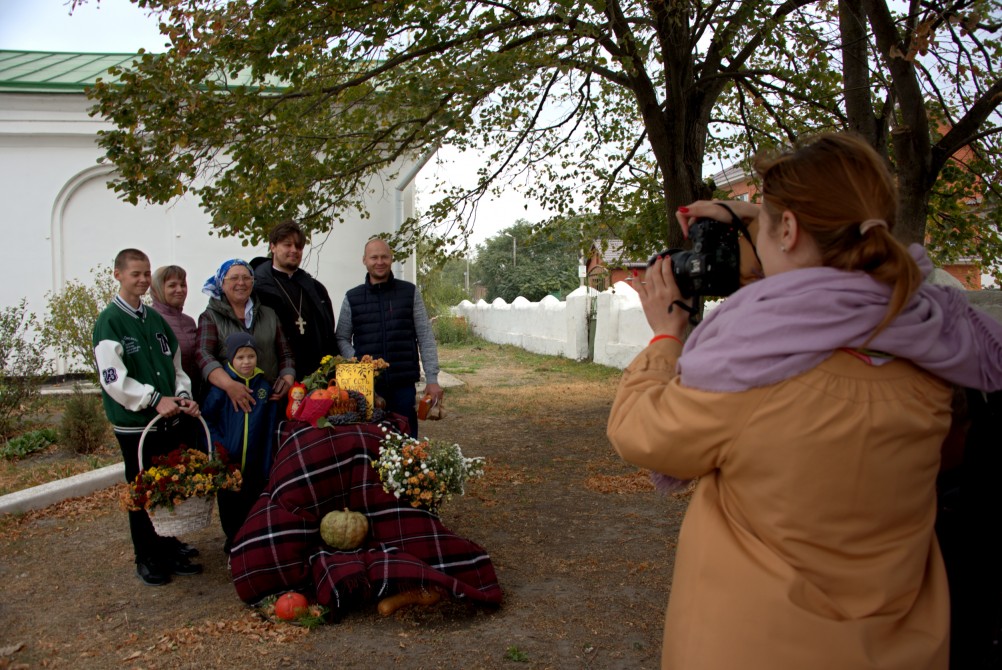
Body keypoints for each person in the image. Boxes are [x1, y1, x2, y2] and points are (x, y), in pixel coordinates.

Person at [606, 133, 1002, 670]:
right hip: (900, 647)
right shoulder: (938, 351)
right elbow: (876, 285)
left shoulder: (752, 367)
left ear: (788, 229)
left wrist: (665, 339)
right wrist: (770, 219)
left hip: (756, 647)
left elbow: (641, 432)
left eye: (769, 227)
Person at [93, 249, 204, 586]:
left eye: (146, 274)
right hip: (136, 425)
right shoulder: (109, 321)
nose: (141, 280)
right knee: (142, 490)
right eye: (135, 274)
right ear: (118, 275)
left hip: (169, 419)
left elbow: (176, 367)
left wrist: (182, 397)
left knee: (169, 486)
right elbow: (113, 379)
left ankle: (169, 547)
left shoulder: (154, 319)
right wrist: (152, 399)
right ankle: (147, 556)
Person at [335, 238, 442, 437]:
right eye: (374, 257)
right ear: (364, 260)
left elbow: (425, 336)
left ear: (391, 258)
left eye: (384, 256)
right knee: (370, 443)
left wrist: (432, 378)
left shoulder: (409, 293)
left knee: (406, 442)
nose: (380, 262)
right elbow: (341, 337)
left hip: (403, 385)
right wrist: (359, 362)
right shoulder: (352, 298)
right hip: (367, 389)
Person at [201, 332, 278, 553]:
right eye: (240, 357)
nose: (246, 362)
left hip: (255, 462)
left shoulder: (263, 387)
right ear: (231, 360)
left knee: (252, 501)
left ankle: (250, 540)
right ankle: (232, 540)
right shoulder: (221, 388)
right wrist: (219, 449)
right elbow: (208, 419)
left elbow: (269, 426)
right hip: (228, 462)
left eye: (250, 356)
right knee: (228, 503)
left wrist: (267, 463)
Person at [196, 259, 296, 414]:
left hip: (268, 400)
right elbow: (203, 355)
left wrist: (287, 380)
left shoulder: (269, 314)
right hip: (228, 404)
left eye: (247, 278)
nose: (241, 283)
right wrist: (229, 385)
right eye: (234, 278)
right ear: (222, 283)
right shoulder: (210, 317)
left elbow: (286, 354)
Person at [251, 219, 337, 378]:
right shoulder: (256, 288)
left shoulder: (316, 289)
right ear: (273, 247)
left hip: (315, 376)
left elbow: (329, 334)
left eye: (298, 246)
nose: (294, 250)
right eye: (287, 244)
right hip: (275, 376)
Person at [150, 265, 201, 401]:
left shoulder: (189, 322)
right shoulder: (149, 320)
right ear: (158, 289)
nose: (179, 290)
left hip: (193, 399)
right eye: (172, 285)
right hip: (165, 401)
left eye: (183, 285)